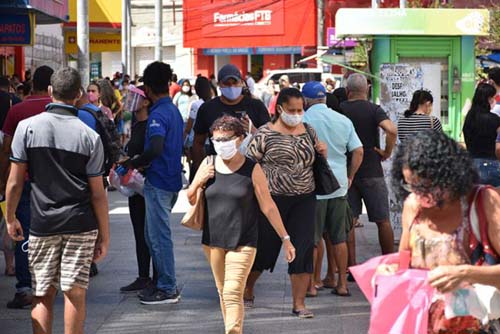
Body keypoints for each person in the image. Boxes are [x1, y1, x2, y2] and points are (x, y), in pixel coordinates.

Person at [5, 67, 109, 333]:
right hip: (80, 223)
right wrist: (104, 235)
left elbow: (15, 181)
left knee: (42, 293)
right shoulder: (90, 136)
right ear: (79, 95)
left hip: (42, 223)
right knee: (75, 293)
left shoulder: (26, 128)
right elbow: (97, 193)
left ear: (51, 92)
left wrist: (10, 217)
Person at [188, 115, 295, 334]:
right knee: (222, 291)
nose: (220, 144)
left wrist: (286, 239)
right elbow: (191, 198)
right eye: (216, 139)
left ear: (240, 139)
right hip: (213, 241)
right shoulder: (208, 163)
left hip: (244, 241)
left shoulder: (251, 169)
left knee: (233, 292)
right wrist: (199, 182)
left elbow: (268, 206)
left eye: (226, 139)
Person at [393, 129, 500, 333]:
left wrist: (466, 273)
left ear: (449, 174)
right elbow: (404, 264)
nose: (419, 193)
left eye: (425, 185)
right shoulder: (412, 206)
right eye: (411, 185)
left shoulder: (483, 202)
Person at [244, 88, 327, 318]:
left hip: (305, 199)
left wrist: (323, 153)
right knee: (264, 251)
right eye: (292, 110)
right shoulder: (264, 134)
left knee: (303, 249)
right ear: (280, 108)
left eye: (301, 110)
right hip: (272, 201)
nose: (297, 114)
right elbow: (248, 166)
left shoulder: (309, 131)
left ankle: (299, 304)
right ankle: (248, 288)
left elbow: (315, 162)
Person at [123, 61, 184, 305]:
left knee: (159, 238)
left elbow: (156, 147)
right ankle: (161, 283)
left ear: (147, 88)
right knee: (153, 236)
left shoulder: (158, 114)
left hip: (159, 182)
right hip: (169, 181)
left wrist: (134, 162)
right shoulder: (172, 110)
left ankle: (168, 287)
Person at [302, 82, 363, 298]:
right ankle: (342, 285)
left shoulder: (304, 121)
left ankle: (311, 285)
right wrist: (350, 175)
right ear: (324, 99)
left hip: (313, 186)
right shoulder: (343, 120)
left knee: (313, 238)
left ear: (305, 100)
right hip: (338, 186)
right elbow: (358, 151)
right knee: (339, 237)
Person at [0, 65, 54, 309]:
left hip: (22, 181)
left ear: (32, 84)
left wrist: (3, 179)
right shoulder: (60, 110)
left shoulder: (18, 110)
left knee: (21, 232)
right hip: (54, 183)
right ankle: (49, 282)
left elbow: (7, 150)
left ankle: (24, 287)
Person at [341, 73, 397, 261]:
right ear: (367, 89)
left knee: (349, 221)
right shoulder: (374, 109)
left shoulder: (340, 109)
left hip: (347, 172)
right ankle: (389, 263)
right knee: (383, 220)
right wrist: (386, 152)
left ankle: (350, 267)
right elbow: (391, 129)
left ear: (348, 91)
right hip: (372, 170)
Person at [192, 64, 270, 172]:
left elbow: (270, 141)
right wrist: (200, 168)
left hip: (251, 170)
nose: (231, 87)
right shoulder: (207, 108)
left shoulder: (256, 106)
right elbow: (197, 142)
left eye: (235, 83)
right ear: (219, 84)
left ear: (242, 83)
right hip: (219, 170)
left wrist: (253, 131)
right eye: (227, 84)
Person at [120, 86, 157, 292]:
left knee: (152, 233)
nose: (130, 100)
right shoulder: (135, 124)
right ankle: (143, 275)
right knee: (139, 232)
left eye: (136, 97)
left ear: (146, 102)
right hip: (134, 188)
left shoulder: (152, 124)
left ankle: (158, 277)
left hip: (148, 186)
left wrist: (136, 163)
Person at [463, 83, 500, 186]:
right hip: (492, 164)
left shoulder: (469, 119)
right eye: (493, 97)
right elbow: (498, 147)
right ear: (488, 99)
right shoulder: (495, 120)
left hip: (471, 164)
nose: (495, 100)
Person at [184, 77, 214, 183]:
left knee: (196, 170)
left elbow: (188, 127)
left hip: (196, 143)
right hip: (210, 144)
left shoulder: (196, 104)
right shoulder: (213, 104)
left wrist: (183, 143)